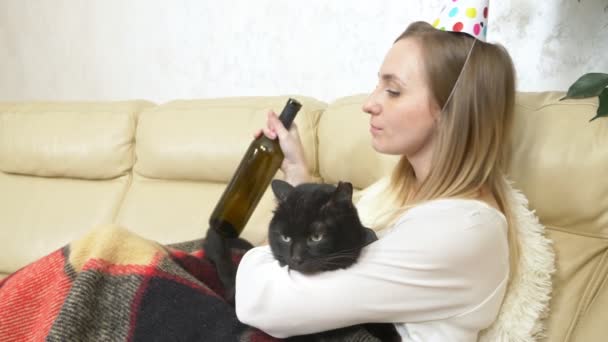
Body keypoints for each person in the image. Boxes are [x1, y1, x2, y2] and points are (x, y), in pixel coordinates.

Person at [235, 19, 518, 342]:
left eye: (393, 91)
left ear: (451, 110)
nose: (369, 104)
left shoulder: (465, 230)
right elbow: (335, 267)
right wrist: (299, 182)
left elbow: (264, 301)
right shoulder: (395, 195)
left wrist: (254, 258)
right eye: (378, 86)